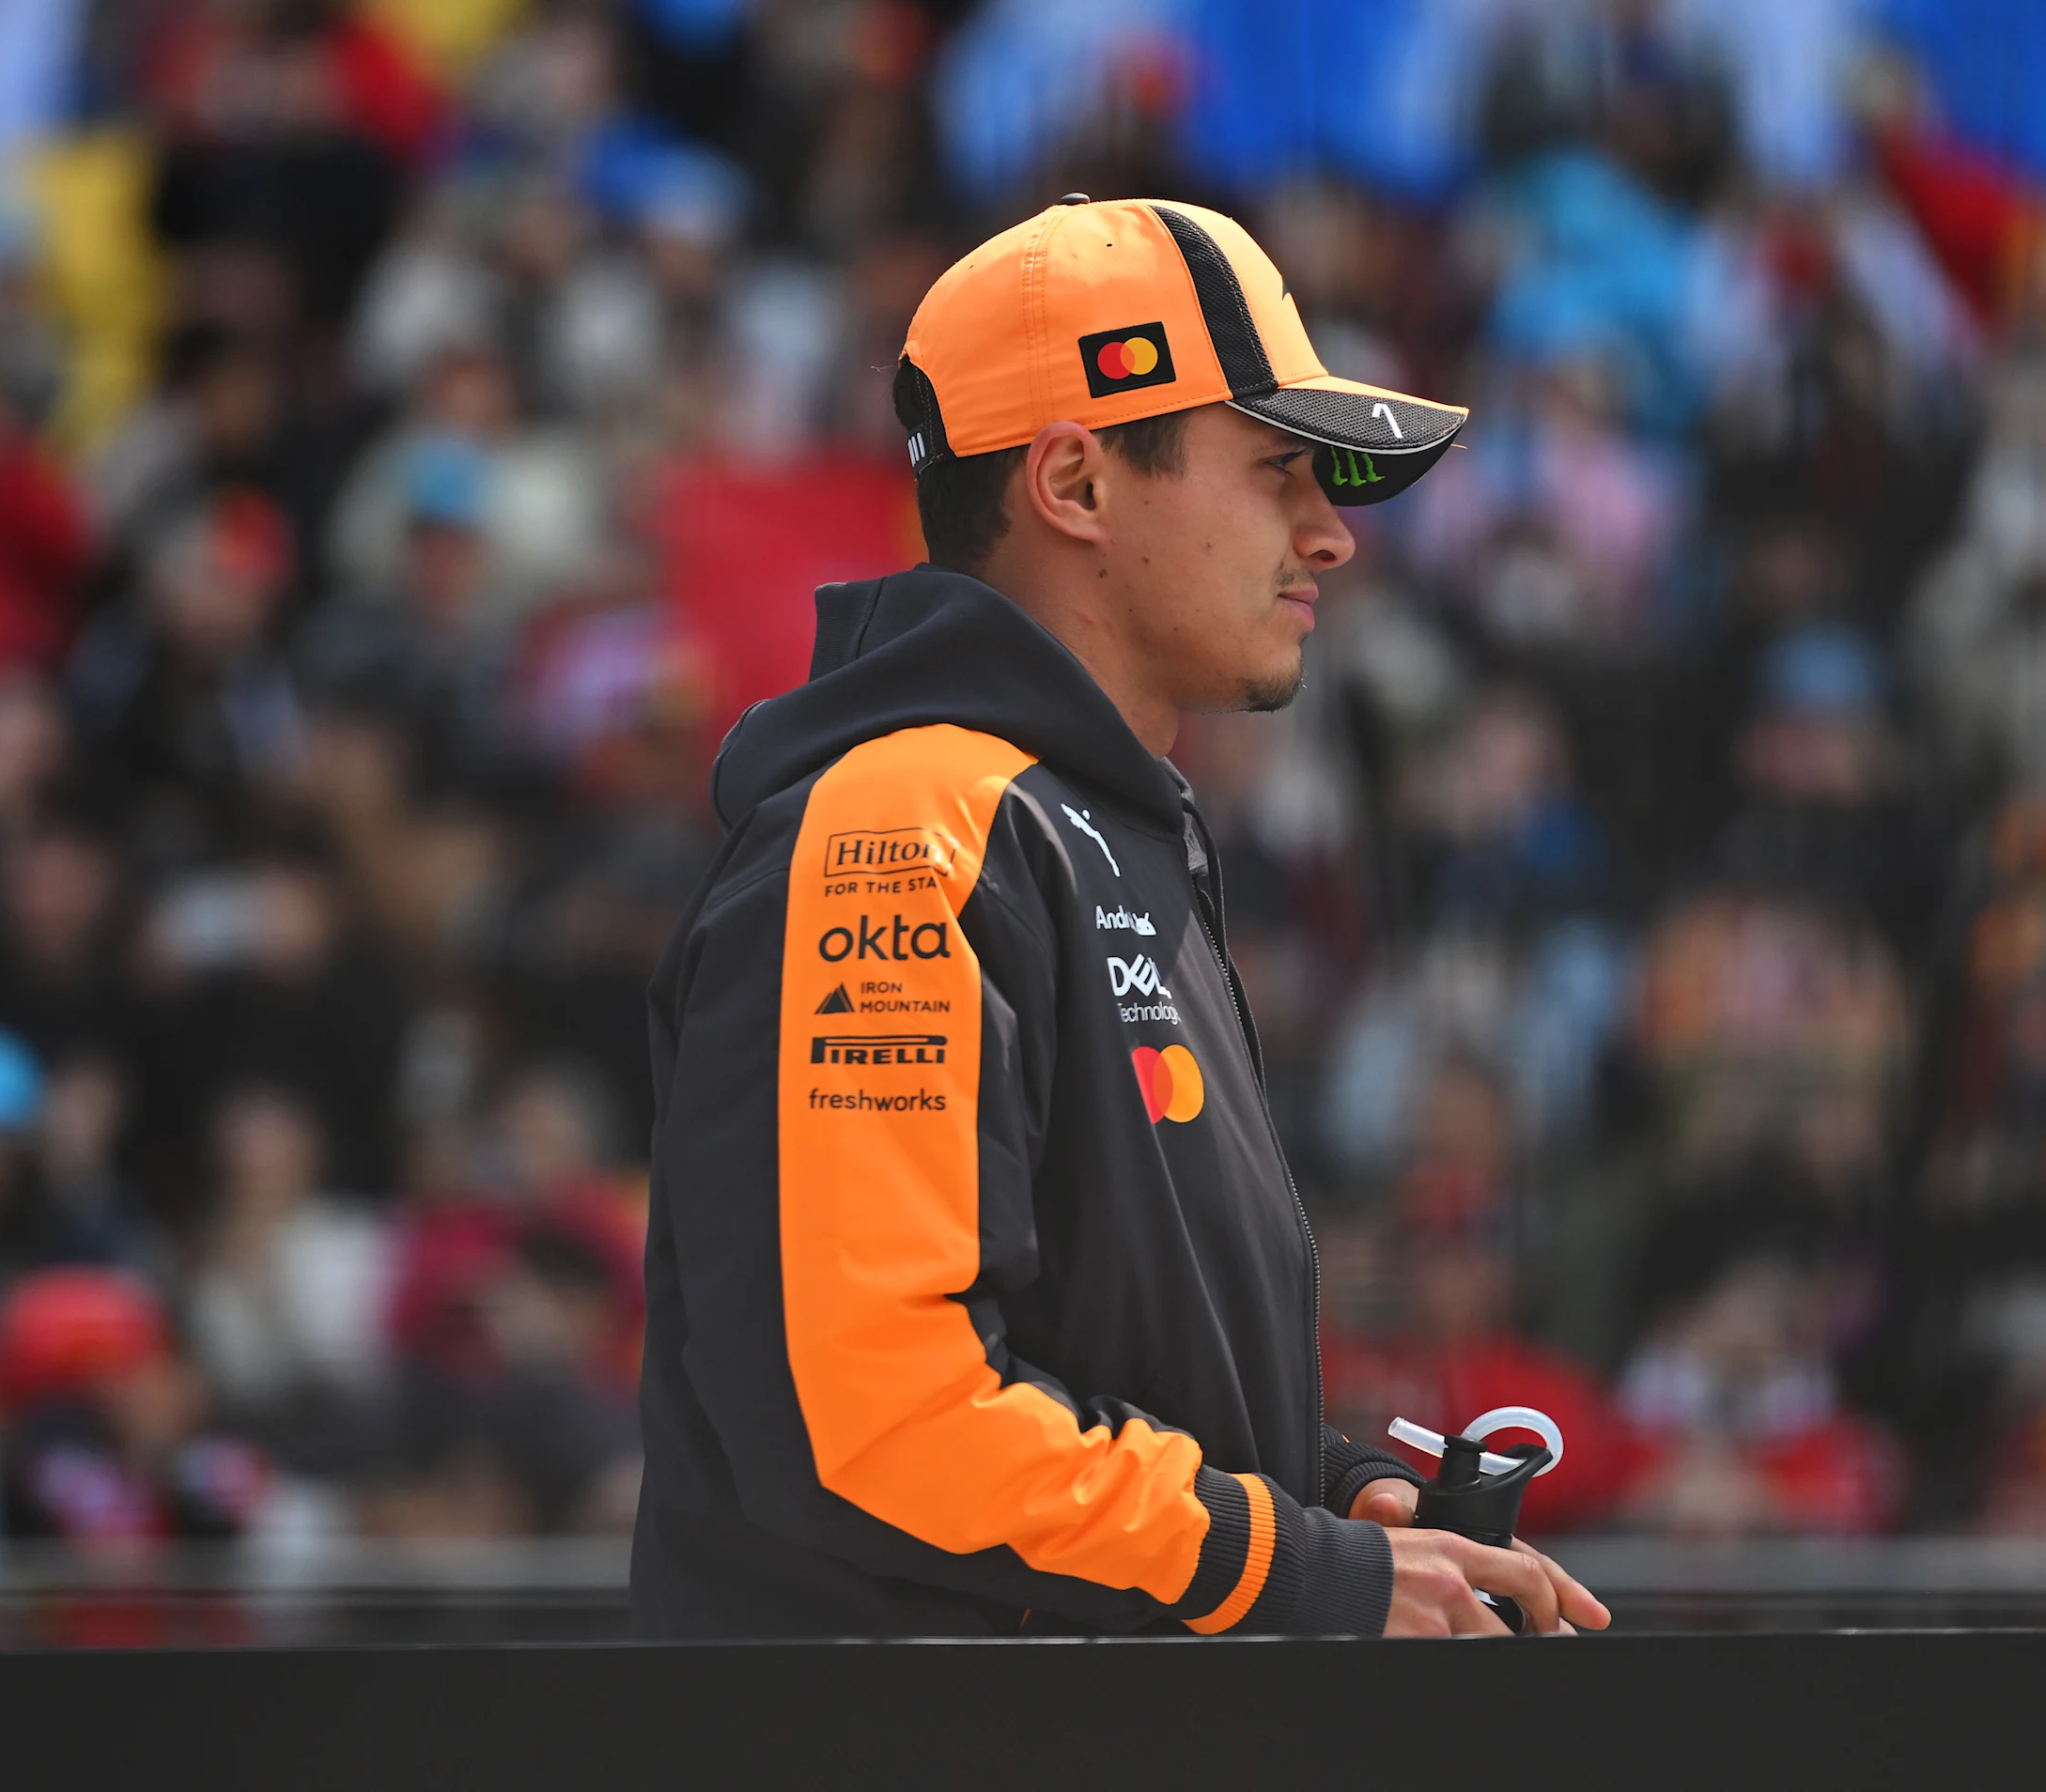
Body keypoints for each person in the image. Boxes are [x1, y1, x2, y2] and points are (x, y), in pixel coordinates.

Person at [633, 196, 1611, 1639]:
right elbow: (879, 1424)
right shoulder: (908, 828)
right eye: (1276, 470)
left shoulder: (1089, 826)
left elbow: (1077, 1388)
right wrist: (1294, 1566)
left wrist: (1328, 1505)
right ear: (1077, 482)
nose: (1328, 537)